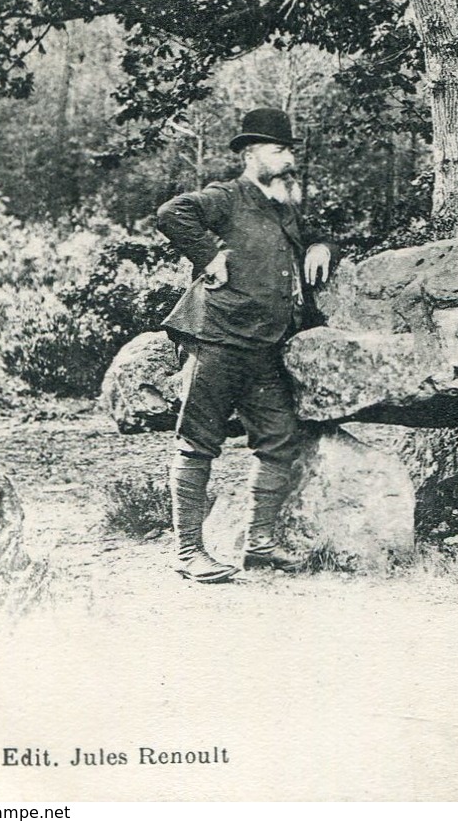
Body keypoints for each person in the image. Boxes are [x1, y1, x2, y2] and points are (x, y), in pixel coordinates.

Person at [156, 108, 335, 583]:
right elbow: (173, 213)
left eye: (290, 150)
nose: (289, 158)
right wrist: (208, 257)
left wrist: (320, 245)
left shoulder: (284, 205)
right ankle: (187, 552)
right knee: (197, 443)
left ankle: (259, 544)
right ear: (250, 154)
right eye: (280, 150)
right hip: (217, 338)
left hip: (265, 346)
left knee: (279, 440)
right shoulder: (226, 197)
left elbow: (311, 232)